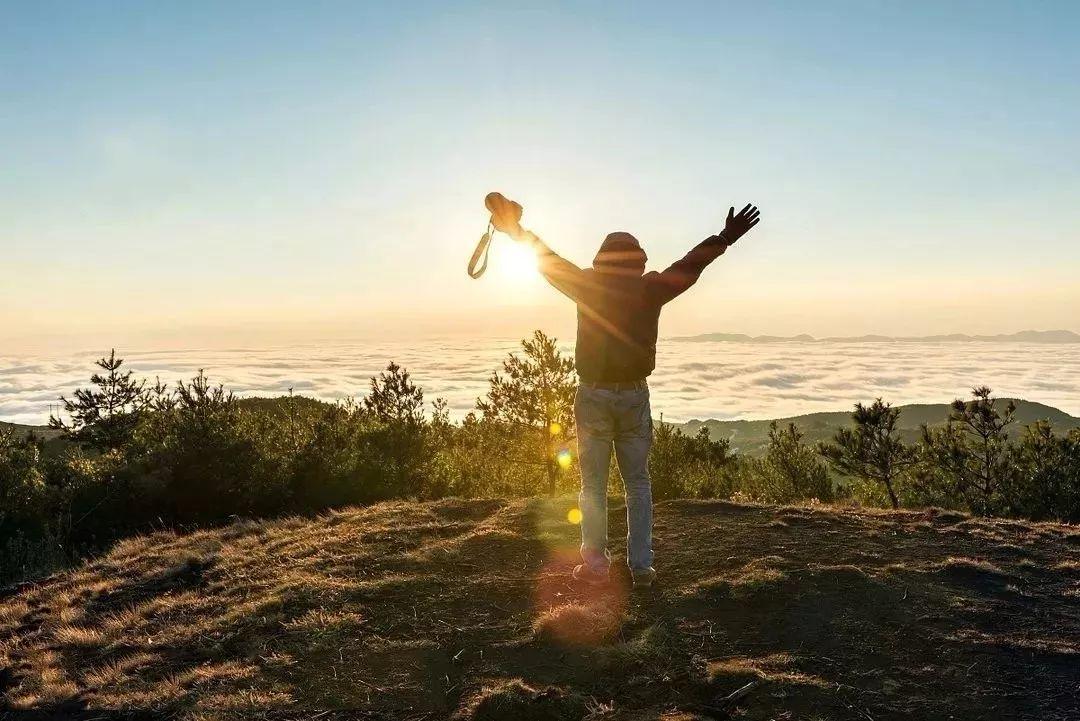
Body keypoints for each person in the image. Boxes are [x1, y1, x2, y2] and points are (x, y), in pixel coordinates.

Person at [488, 195, 761, 589]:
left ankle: (596, 566)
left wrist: (515, 230)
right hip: (634, 395)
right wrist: (724, 237)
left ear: (600, 260)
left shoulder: (585, 284)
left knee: (592, 485)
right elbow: (690, 264)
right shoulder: (650, 289)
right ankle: (642, 568)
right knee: (638, 483)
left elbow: (546, 258)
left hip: (593, 395)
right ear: (640, 261)